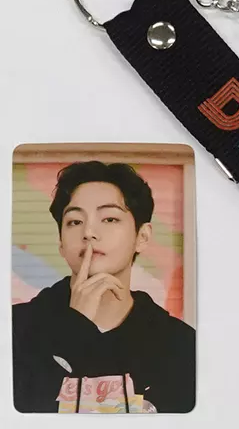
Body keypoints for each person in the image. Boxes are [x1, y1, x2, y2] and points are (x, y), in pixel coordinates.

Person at [12, 161, 195, 413]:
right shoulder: (15, 328)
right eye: (75, 221)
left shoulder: (180, 344)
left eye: (109, 218)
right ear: (61, 242)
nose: (88, 232)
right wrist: (75, 327)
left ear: (142, 237)